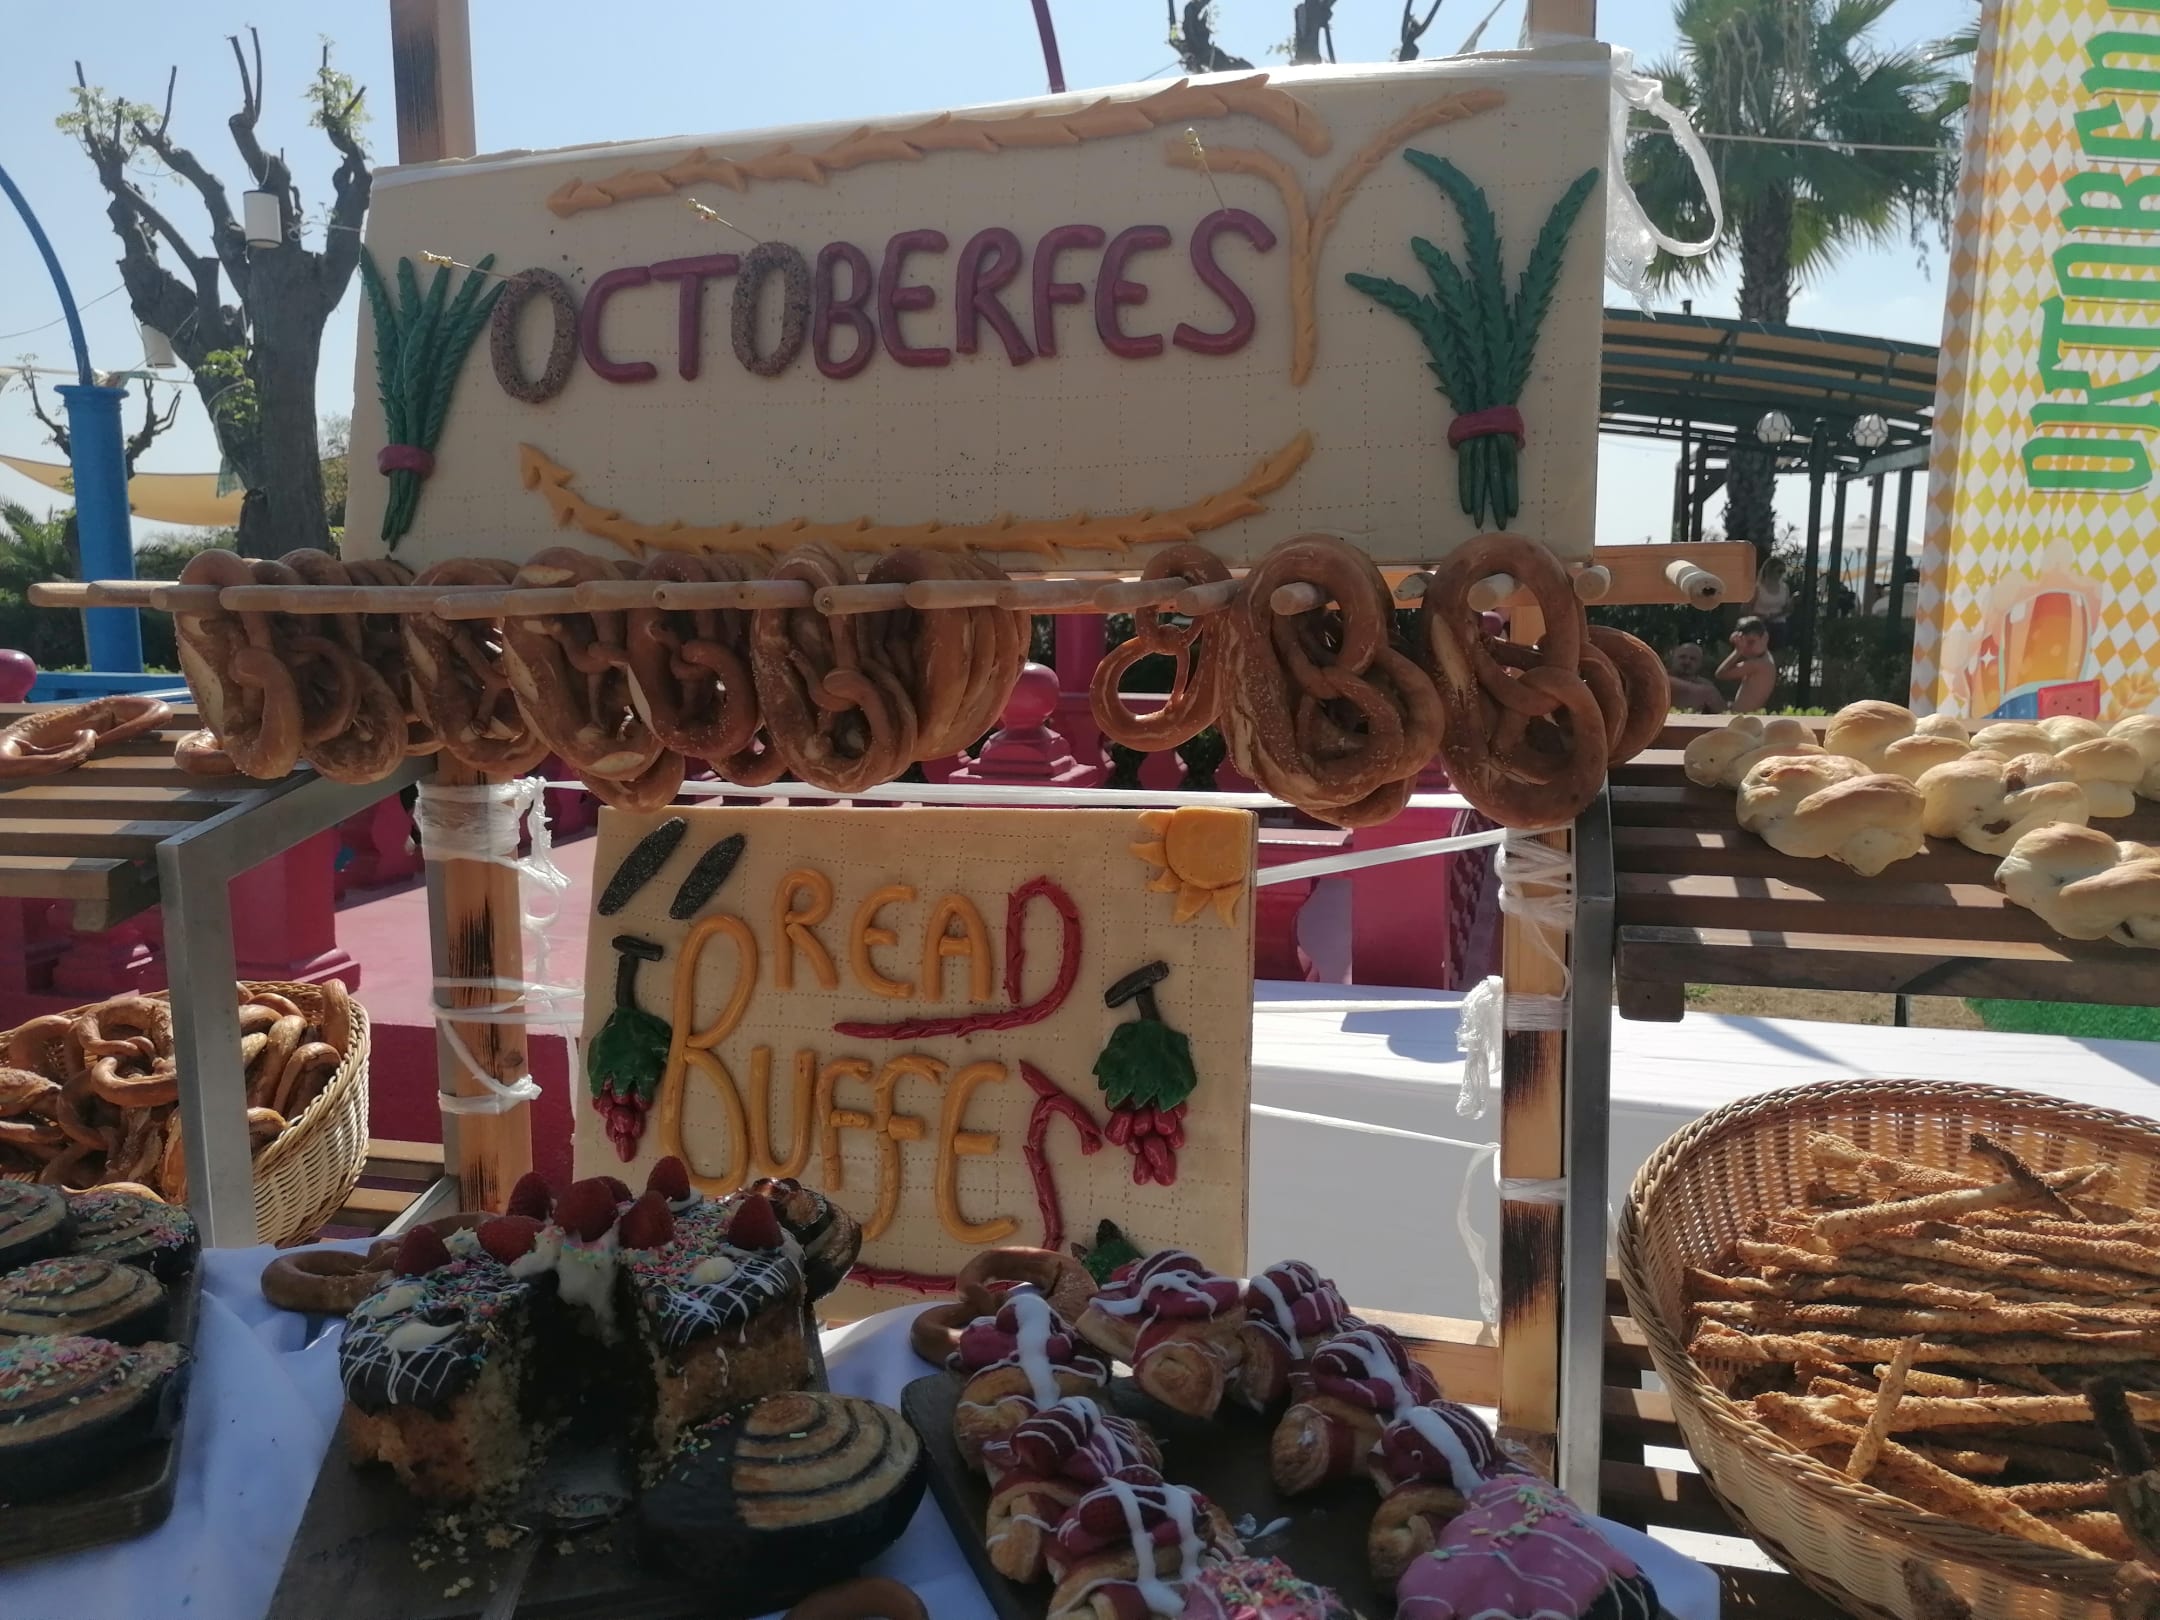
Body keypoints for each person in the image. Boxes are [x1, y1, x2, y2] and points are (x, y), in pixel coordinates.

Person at [1717, 615, 1778, 713]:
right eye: (1742, 642)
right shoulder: (1766, 658)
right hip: (1745, 714)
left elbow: (1720, 674)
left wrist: (1737, 651)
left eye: (1751, 642)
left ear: (1765, 637)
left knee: (1707, 692)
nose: (1745, 647)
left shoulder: (1758, 664)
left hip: (1742, 716)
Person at [1664, 642, 1726, 713]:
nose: (1687, 661)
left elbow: (1724, 714)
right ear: (1673, 658)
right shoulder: (1660, 677)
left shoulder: (1706, 686)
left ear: (1700, 664)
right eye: (1682, 657)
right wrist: (1696, 690)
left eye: (1693, 659)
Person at [1750, 557, 1793, 649]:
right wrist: (1760, 616)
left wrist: (1792, 601)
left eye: (1783, 571)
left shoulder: (1785, 588)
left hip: (1779, 625)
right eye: (1779, 571)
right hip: (1759, 625)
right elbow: (1745, 609)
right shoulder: (1757, 588)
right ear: (1769, 570)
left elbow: (1787, 609)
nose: (1781, 574)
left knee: (1777, 651)